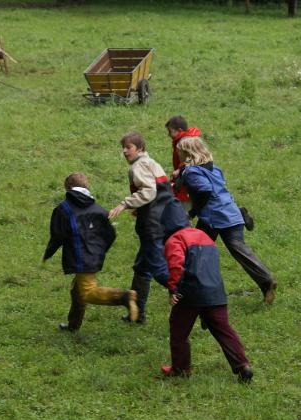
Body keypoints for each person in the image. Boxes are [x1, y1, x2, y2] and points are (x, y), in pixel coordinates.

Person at [160, 200, 253, 382]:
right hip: (215, 292)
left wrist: (173, 289)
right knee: (224, 330)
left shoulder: (175, 239)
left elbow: (176, 266)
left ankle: (180, 368)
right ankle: (243, 365)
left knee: (178, 329)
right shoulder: (205, 237)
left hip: (190, 294)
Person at [177, 136, 277, 304]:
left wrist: (193, 212)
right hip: (230, 212)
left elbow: (205, 190)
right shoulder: (214, 169)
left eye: (179, 150)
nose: (177, 152)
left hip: (214, 217)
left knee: (196, 252)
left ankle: (196, 293)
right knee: (239, 249)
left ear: (187, 152)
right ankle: (266, 281)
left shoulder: (192, 172)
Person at [42, 172, 138, 331]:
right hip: (94, 256)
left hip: (80, 258)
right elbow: (110, 234)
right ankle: (73, 325)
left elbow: (57, 235)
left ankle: (125, 297)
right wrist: (99, 251)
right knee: (76, 290)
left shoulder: (63, 209)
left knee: (88, 292)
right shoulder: (99, 209)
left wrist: (48, 253)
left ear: (68, 188)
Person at [108, 132, 174, 324]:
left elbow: (149, 191)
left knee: (159, 268)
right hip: (161, 220)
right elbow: (162, 190)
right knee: (142, 269)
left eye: (128, 147)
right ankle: (137, 314)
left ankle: (190, 296)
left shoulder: (139, 166)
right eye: (124, 147)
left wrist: (125, 203)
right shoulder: (152, 163)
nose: (124, 151)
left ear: (140, 148)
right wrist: (141, 206)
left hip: (151, 226)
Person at [165, 115, 201, 211]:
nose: (169, 135)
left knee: (183, 212)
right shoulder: (184, 140)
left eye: (170, 132)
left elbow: (195, 160)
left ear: (180, 130)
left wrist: (180, 170)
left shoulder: (185, 142)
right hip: (184, 179)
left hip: (187, 184)